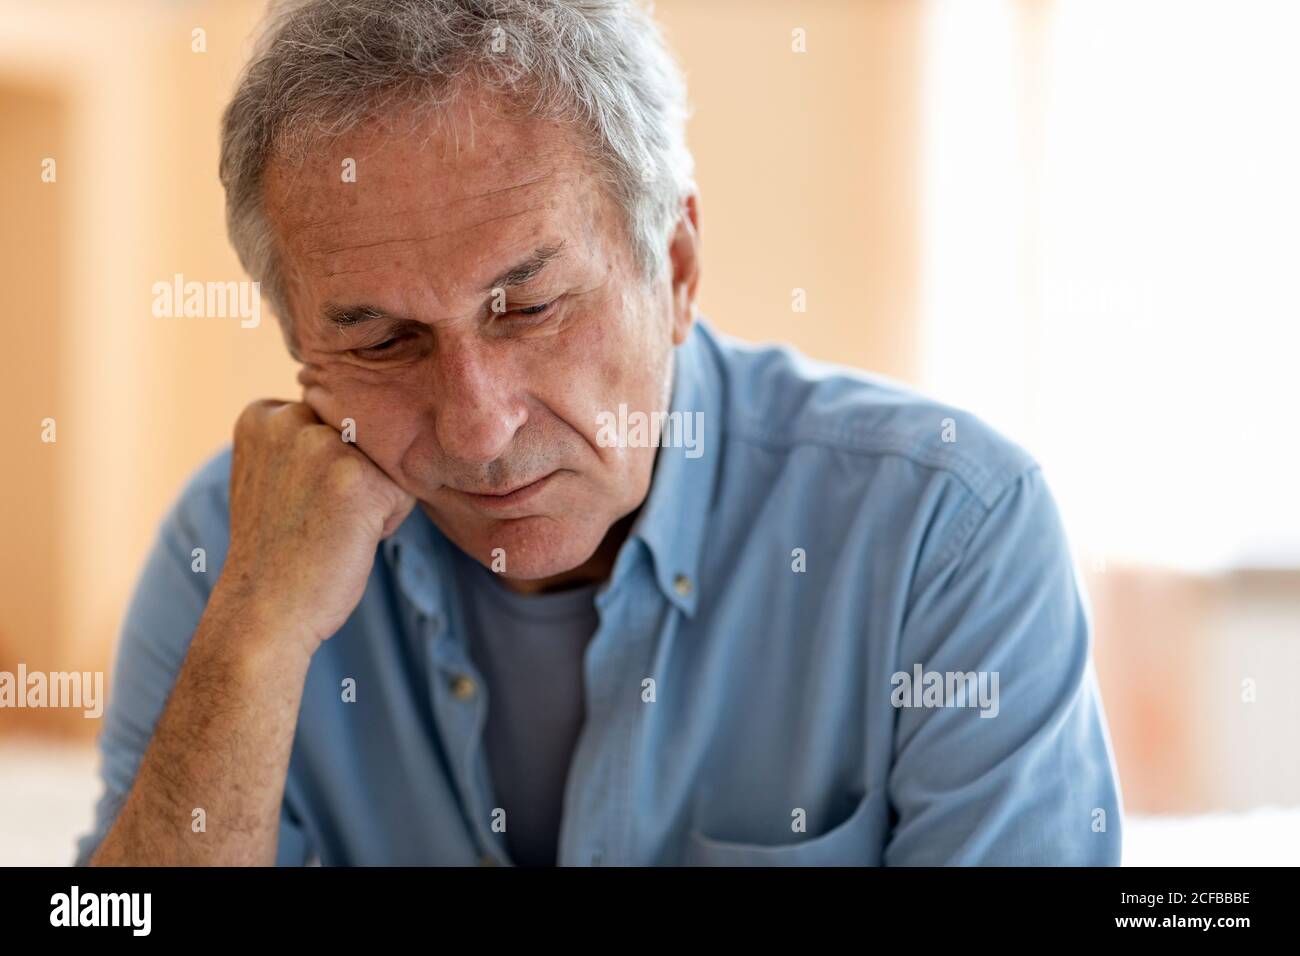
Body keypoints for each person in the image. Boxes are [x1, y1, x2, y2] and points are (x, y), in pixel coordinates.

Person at [76, 0, 1122, 866]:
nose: (479, 426)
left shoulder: (946, 528)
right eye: (387, 342)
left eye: (527, 308)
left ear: (674, 268)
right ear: (301, 348)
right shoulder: (230, 555)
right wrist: (256, 635)